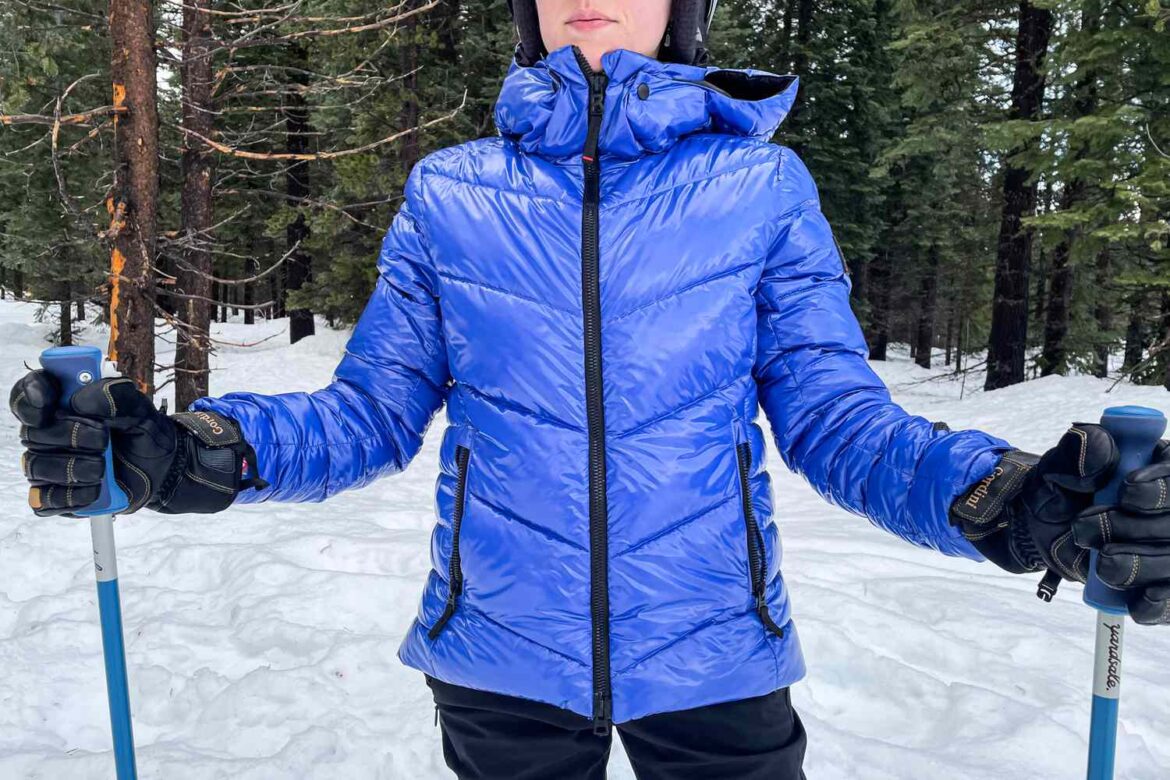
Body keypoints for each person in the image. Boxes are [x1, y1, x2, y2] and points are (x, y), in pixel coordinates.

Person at [10, 1, 1170, 778]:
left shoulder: (759, 185)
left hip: (718, 652)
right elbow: (368, 412)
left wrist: (1011, 498)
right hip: (499, 652)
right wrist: (194, 448)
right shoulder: (452, 191)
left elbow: (835, 416)